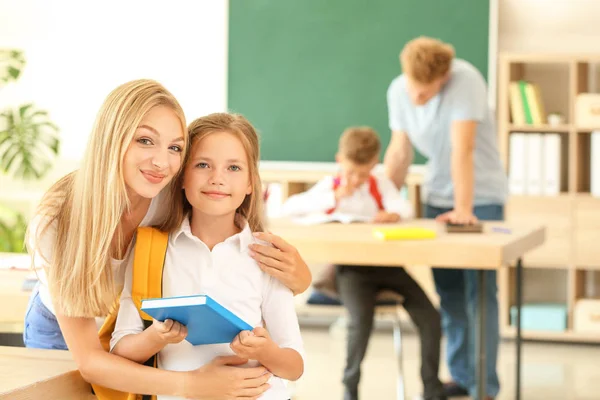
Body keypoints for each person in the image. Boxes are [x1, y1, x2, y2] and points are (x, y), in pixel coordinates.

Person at [24, 79, 311, 399]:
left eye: (175, 147)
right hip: (65, 332)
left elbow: (263, 285)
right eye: (145, 140)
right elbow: (92, 361)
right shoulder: (57, 220)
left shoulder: (168, 193)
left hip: (132, 331)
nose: (162, 163)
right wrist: (195, 385)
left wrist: (301, 276)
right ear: (112, 139)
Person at [111, 112, 304, 400]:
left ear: (251, 183)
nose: (217, 179)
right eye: (203, 165)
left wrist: (266, 351)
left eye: (234, 168)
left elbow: (294, 366)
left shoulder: (266, 257)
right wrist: (155, 337)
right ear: (182, 177)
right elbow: (119, 350)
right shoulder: (150, 248)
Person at [384, 36, 508, 400]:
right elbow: (399, 151)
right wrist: (387, 202)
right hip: (437, 196)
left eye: (427, 92)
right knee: (450, 292)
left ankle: (484, 386)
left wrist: (465, 207)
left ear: (445, 77)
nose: (418, 98)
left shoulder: (465, 80)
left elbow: (463, 148)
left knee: (480, 294)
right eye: (414, 90)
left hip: (481, 197)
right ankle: (462, 375)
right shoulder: (398, 89)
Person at [281, 126, 446, 400]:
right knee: (361, 320)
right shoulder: (330, 186)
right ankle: (351, 387)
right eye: (350, 171)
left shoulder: (379, 185)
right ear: (339, 160)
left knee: (430, 316)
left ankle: (432, 388)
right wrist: (334, 198)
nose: (356, 179)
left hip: (389, 267)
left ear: (373, 165)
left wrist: (393, 214)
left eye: (362, 172)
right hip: (352, 272)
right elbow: (288, 207)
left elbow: (405, 208)